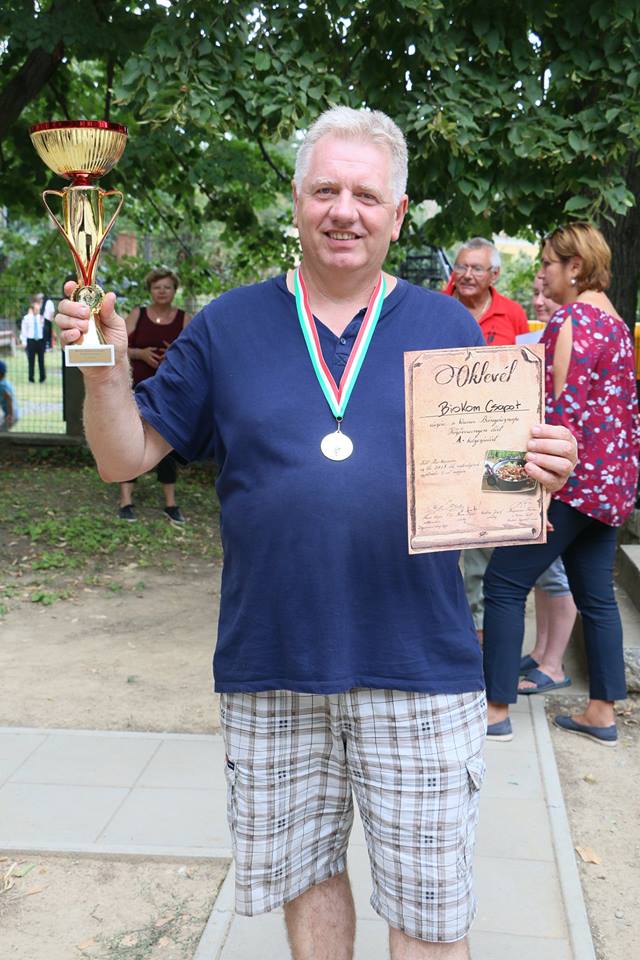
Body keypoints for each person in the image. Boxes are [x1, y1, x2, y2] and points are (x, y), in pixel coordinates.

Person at [55, 107, 576, 959]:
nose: (344, 211)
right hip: (273, 663)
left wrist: (539, 469)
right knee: (308, 882)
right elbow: (123, 457)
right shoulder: (228, 325)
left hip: (419, 664)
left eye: (366, 196)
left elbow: (493, 487)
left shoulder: (448, 328)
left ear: (396, 215)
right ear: (296, 202)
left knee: (430, 913)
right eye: (325, 190)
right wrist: (107, 369)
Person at [484, 223, 640, 746]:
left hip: (568, 484)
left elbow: (559, 414)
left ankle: (495, 709)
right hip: (611, 486)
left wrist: (532, 493)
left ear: (575, 266)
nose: (542, 272)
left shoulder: (573, 319)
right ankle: (602, 713)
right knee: (597, 597)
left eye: (548, 262)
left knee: (503, 584)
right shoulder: (616, 323)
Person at [444, 238, 530, 642]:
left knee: (493, 543)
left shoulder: (513, 314)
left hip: (501, 443)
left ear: (494, 274)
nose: (466, 275)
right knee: (442, 542)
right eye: (460, 266)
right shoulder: (435, 307)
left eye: (476, 268)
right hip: (445, 442)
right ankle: (449, 630)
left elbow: (526, 376)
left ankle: (485, 640)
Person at [519, 275, 577, 694]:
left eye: (546, 292)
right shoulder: (545, 334)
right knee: (543, 574)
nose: (539, 301)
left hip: (564, 477)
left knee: (557, 575)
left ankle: (554, 663)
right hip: (540, 465)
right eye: (535, 293)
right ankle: (541, 651)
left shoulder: (573, 332)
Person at [117, 268, 191, 524]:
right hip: (136, 390)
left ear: (174, 291)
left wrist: (175, 355)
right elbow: (118, 349)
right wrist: (140, 354)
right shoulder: (137, 314)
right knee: (129, 440)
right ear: (150, 290)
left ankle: (170, 504)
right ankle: (126, 501)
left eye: (167, 287)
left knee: (166, 444)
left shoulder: (184, 318)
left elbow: (194, 354)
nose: (162, 291)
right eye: (157, 287)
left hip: (169, 393)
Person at [20, 294, 47, 383]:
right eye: (35, 308)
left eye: (38, 308)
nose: (37, 309)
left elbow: (44, 330)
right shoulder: (27, 318)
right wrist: (24, 342)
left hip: (40, 341)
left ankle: (42, 378)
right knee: (31, 361)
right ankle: (31, 379)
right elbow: (24, 331)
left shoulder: (42, 318)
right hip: (31, 341)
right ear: (32, 308)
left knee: (41, 360)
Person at [0, 359, 18, 431]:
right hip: (10, 413)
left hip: (11, 414)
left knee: (2, 432)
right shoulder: (5, 382)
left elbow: (9, 398)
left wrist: (10, 416)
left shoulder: (1, 386)